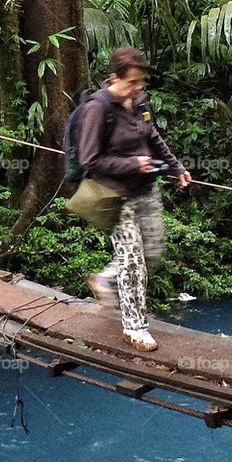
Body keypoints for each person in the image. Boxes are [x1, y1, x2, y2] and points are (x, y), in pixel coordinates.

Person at [78, 46, 191, 351]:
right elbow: (89, 160)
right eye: (132, 82)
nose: (138, 88)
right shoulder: (97, 109)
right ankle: (135, 327)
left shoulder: (140, 100)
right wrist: (131, 164)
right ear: (114, 78)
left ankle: (105, 281)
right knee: (132, 262)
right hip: (115, 194)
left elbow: (152, 136)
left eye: (141, 82)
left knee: (152, 253)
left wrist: (175, 166)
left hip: (146, 188)